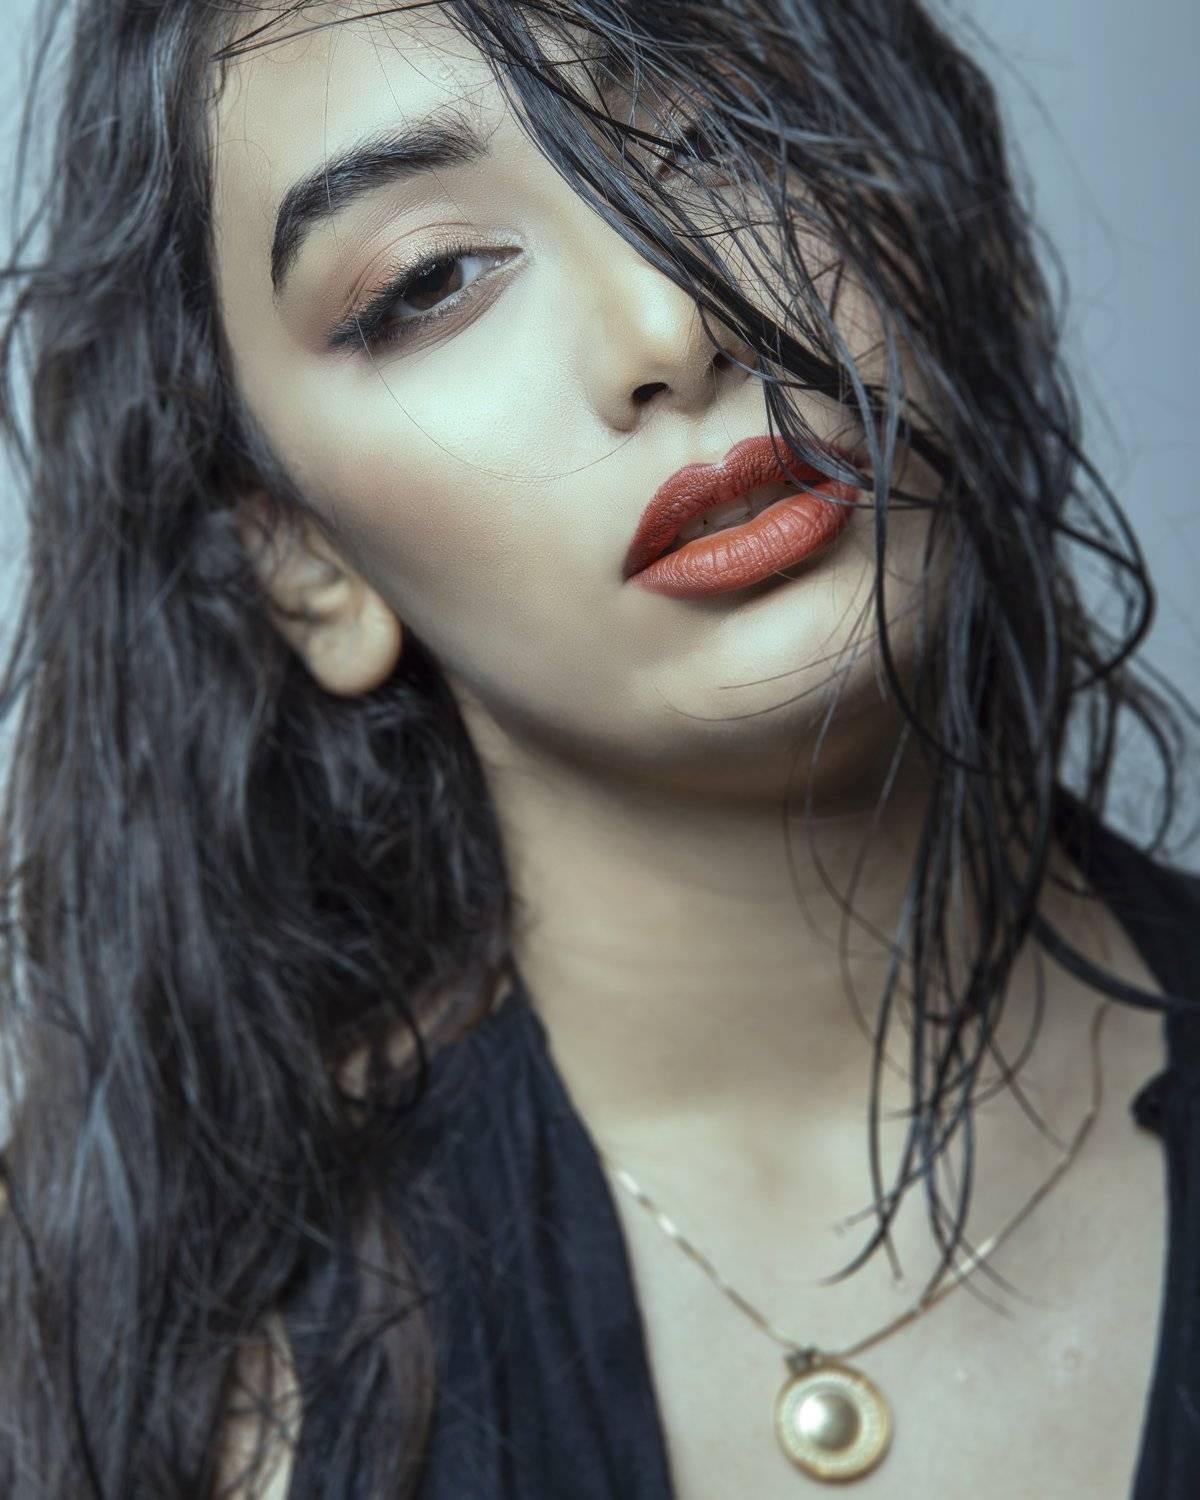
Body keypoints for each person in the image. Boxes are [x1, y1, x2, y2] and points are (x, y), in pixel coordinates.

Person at [0, 1, 1196, 1496]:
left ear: (967, 231)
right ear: (302, 562)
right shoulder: (204, 1394)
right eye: (430, 281)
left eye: (728, 138)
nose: (668, 327)